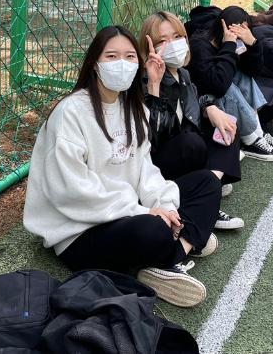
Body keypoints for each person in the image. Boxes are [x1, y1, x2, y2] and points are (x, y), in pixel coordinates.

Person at [22, 25, 221, 308]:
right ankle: (179, 248)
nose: (122, 64)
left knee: (208, 183)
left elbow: (145, 169)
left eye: (129, 57)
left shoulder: (132, 107)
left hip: (124, 214)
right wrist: (144, 212)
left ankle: (168, 255)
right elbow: (73, 190)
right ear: (94, 64)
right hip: (79, 230)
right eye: (112, 56)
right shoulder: (70, 112)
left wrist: (164, 206)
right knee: (153, 230)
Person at [139, 11, 245, 231]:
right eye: (162, 40)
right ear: (149, 48)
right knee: (191, 142)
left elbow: (193, 103)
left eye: (177, 37)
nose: (173, 44)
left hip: (186, 157)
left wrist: (210, 107)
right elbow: (152, 138)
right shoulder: (144, 81)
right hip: (157, 164)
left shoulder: (183, 74)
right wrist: (154, 86)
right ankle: (203, 199)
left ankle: (207, 194)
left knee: (227, 127)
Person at [186, 5, 273, 161]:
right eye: (237, 31)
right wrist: (229, 46)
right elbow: (218, 86)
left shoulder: (235, 42)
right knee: (229, 87)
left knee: (243, 76)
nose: (240, 35)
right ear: (224, 28)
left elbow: (253, 71)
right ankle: (251, 140)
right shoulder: (200, 46)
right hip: (203, 103)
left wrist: (253, 44)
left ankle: (258, 134)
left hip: (218, 94)